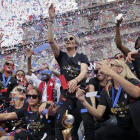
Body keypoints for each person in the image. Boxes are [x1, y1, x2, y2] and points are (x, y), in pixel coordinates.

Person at [48, 4, 95, 140]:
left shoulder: (81, 56)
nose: (67, 41)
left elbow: (84, 72)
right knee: (60, 120)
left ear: (76, 44)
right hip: (66, 94)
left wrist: (74, 80)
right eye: (66, 39)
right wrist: (51, 20)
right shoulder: (61, 56)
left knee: (87, 120)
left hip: (80, 91)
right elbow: (51, 41)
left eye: (71, 39)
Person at [76, 59, 140, 140]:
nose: (106, 68)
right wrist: (83, 101)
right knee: (100, 134)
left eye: (111, 65)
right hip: (124, 128)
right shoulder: (107, 90)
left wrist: (111, 73)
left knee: (135, 106)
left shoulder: (131, 81)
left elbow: (136, 93)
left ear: (120, 69)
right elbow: (99, 114)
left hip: (136, 127)